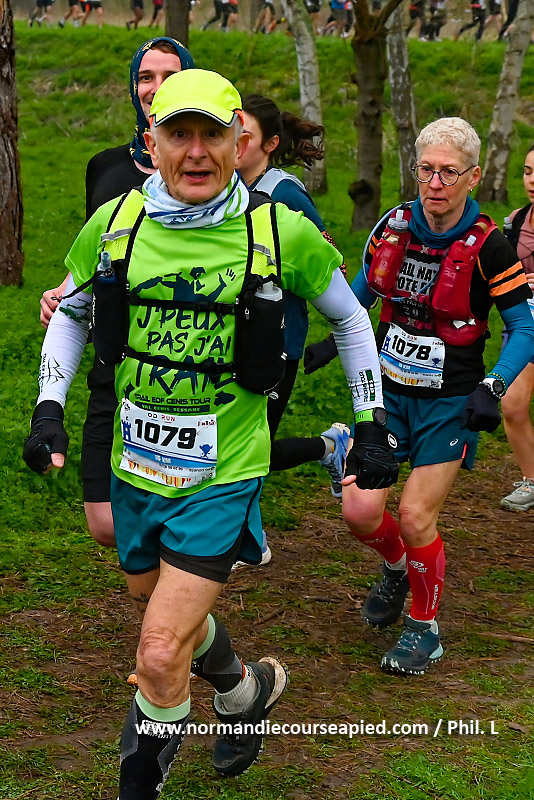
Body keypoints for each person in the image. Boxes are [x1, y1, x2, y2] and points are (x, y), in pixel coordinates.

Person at [24, 69, 398, 799]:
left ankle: (142, 777)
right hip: (136, 465)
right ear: (152, 141)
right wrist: (48, 410)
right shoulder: (116, 224)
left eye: (212, 135)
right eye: (179, 134)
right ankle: (243, 690)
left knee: (160, 651)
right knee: (162, 612)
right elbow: (70, 312)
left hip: (223, 472)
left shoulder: (278, 230)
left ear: (238, 141)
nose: (196, 151)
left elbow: (352, 319)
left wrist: (370, 423)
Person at [307, 117, 534, 675]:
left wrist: (493, 385)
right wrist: (329, 343)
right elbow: (359, 296)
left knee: (413, 515)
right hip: (388, 393)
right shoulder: (393, 226)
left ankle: (424, 627)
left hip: (450, 402)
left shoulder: (490, 245)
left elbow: (524, 327)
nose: (435, 183)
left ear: (473, 177)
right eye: (426, 169)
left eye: (448, 172)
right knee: (360, 512)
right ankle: (398, 567)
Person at [40, 38, 195, 552]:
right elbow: (96, 255)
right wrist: (65, 294)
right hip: (114, 359)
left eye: (170, 75)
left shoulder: (212, 171)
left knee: (180, 522)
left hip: (192, 364)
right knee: (106, 526)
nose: (155, 87)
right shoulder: (104, 167)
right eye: (145, 77)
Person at [238, 93, 351, 500]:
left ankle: (330, 448)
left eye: (245, 135)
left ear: (271, 144)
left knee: (251, 452)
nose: (233, 142)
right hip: (229, 336)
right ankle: (328, 448)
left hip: (279, 339)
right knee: (232, 448)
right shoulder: (222, 188)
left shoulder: (284, 192)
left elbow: (330, 264)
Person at [500, 146, 534, 511]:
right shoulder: (516, 221)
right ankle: (531, 479)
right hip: (525, 325)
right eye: (527, 171)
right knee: (511, 403)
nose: (532, 180)